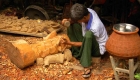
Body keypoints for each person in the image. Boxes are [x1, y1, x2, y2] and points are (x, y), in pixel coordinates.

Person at [62, 3, 108, 78]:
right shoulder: (88, 11)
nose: (78, 21)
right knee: (71, 25)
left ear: (84, 18)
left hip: (98, 48)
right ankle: (77, 53)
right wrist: (67, 21)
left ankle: (87, 66)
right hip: (87, 38)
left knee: (88, 35)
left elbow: (86, 42)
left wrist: (69, 43)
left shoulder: (95, 27)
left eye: (79, 20)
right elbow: (74, 21)